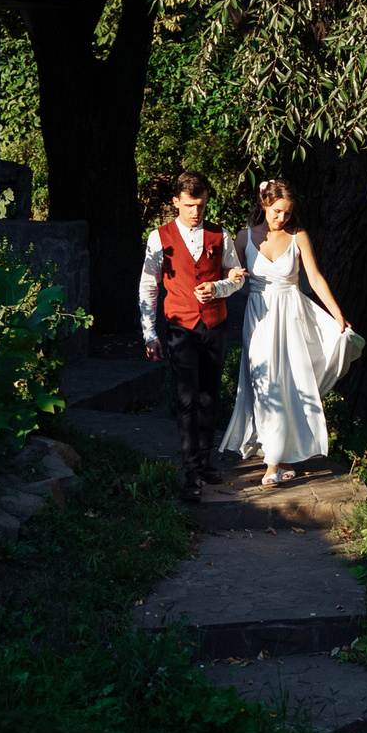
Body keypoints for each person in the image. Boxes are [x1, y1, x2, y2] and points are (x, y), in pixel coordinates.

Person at [219, 178, 361, 488]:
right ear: (264, 205)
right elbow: (231, 277)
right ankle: (279, 456)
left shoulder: (299, 237)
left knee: (285, 385)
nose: (281, 218)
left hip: (292, 317)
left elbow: (315, 277)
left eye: (287, 212)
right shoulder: (244, 237)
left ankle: (273, 462)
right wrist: (229, 279)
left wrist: (337, 314)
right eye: (276, 211)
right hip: (258, 319)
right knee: (264, 385)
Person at [138, 172, 246, 501]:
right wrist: (149, 332)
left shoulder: (220, 235)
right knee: (186, 397)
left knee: (209, 395)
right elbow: (148, 285)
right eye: (188, 205)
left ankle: (205, 458)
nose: (195, 212)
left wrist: (219, 288)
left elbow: (237, 276)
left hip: (215, 325)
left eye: (199, 205)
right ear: (175, 202)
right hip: (179, 326)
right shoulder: (159, 238)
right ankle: (190, 469)